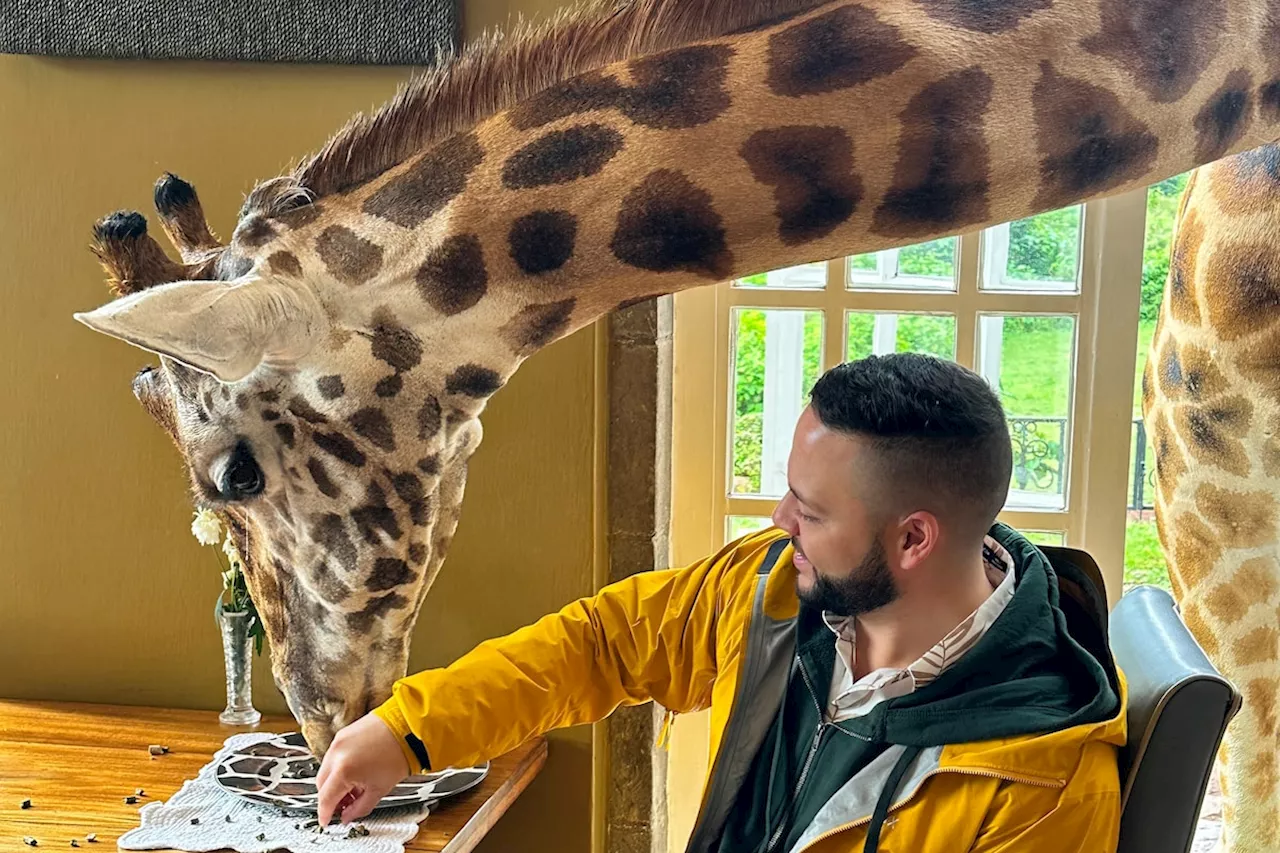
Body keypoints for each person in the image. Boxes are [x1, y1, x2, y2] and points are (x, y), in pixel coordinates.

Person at [315, 353, 1127, 852]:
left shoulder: (1044, 787)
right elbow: (604, 643)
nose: (780, 522)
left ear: (913, 539)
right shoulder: (773, 588)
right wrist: (408, 728)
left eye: (810, 512)